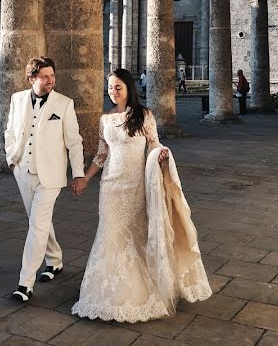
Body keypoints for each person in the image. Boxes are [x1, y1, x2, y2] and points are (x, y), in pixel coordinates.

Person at [71, 68, 211, 322]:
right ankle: (105, 292)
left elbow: (154, 143)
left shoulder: (143, 115)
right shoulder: (105, 119)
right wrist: (85, 177)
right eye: (110, 87)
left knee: (137, 234)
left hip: (136, 186)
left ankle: (143, 288)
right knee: (109, 234)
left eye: (118, 87)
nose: (113, 92)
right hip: (111, 187)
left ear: (129, 89)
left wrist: (161, 152)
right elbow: (102, 155)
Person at [4, 56, 86, 302]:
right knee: (38, 221)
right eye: (45, 76)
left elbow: (74, 142)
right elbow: (10, 130)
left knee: (37, 226)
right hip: (23, 170)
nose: (50, 80)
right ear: (31, 78)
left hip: (51, 176)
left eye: (52, 76)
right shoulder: (17, 99)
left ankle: (25, 283)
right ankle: (55, 260)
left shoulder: (64, 104)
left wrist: (79, 173)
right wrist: (12, 158)